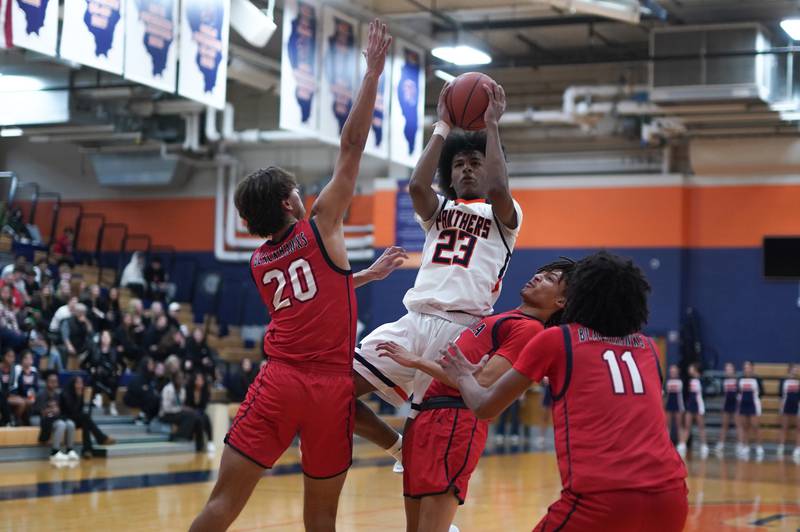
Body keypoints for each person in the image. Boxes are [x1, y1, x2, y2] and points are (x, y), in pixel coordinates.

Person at [190, 21, 395, 532]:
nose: (306, 194)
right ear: (289, 203)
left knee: (220, 506)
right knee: (321, 519)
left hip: (278, 380)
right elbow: (351, 146)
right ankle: (400, 443)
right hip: (328, 386)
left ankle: (398, 442)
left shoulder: (260, 263)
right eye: (298, 191)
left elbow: (315, 297)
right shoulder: (321, 224)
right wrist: (371, 74)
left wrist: (364, 276)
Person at [438, 251, 688, 532]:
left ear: (578, 296)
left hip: (601, 498)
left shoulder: (557, 339)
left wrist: (462, 375)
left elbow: (484, 407)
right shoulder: (648, 347)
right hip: (672, 496)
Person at [352, 78, 523, 469]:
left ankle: (440, 521)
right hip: (414, 321)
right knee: (337, 393)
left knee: (433, 448)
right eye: (459, 164)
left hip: (461, 331)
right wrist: (442, 127)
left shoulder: (505, 218)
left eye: (475, 163)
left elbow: (500, 189)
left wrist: (492, 126)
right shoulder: (440, 211)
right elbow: (415, 185)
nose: (466, 170)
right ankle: (397, 448)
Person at [376, 260, 571, 532]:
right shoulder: (508, 319)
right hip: (431, 416)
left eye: (549, 278)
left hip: (456, 421)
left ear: (561, 300)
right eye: (539, 272)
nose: (537, 277)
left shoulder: (529, 329)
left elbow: (480, 383)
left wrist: (416, 361)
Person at [59, 375, 115, 458]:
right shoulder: (65, 394)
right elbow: (71, 411)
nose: (80, 386)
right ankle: (101, 438)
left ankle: (87, 450)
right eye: (78, 383)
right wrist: (78, 397)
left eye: (81, 383)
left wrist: (83, 399)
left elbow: (84, 412)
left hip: (77, 419)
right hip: (66, 419)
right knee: (85, 418)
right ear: (72, 384)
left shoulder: (81, 394)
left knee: (86, 422)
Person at [33, 371, 78, 462]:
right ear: (47, 382)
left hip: (54, 417)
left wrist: (57, 410)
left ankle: (69, 450)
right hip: (40, 418)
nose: (54, 383)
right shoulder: (41, 395)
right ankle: (55, 451)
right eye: (51, 381)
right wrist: (50, 410)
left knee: (70, 424)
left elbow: (62, 410)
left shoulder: (58, 395)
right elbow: (38, 411)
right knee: (61, 424)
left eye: (55, 381)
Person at [160, 370, 205, 451]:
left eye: (182, 378)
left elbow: (181, 405)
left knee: (197, 417)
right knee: (190, 415)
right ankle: (178, 436)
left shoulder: (182, 390)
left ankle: (199, 446)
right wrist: (181, 409)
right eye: (178, 378)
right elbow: (166, 408)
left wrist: (183, 409)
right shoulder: (167, 389)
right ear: (174, 379)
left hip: (177, 413)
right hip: (166, 415)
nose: (180, 380)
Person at [82, 330, 123, 415]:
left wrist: (119, 371)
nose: (105, 339)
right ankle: (97, 397)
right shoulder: (94, 349)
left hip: (111, 375)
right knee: (98, 375)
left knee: (113, 381)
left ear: (110, 339)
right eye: (103, 336)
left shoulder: (114, 351)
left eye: (107, 337)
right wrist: (91, 369)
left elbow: (123, 365)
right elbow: (83, 364)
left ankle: (112, 404)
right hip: (97, 376)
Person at [736, 360, 764, 460]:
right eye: (745, 367)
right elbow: (738, 392)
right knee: (745, 426)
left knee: (755, 426)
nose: (746, 369)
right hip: (743, 405)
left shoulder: (757, 379)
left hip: (754, 404)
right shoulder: (740, 379)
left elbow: (762, 392)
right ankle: (746, 446)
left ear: (752, 368)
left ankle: (759, 446)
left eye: (748, 367)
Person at [680, 363, 708, 458]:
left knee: (701, 426)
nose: (689, 369)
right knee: (687, 425)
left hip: (699, 405)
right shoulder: (689, 380)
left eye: (691, 368)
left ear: (695, 369)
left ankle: (704, 445)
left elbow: (703, 392)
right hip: (690, 406)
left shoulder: (701, 379)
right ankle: (682, 445)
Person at [123, 356, 160, 422]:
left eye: (152, 364)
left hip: (144, 398)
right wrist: (146, 389)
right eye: (150, 364)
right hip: (133, 398)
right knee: (152, 397)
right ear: (145, 365)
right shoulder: (139, 375)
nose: (152, 366)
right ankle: (142, 416)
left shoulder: (152, 375)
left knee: (156, 398)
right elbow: (135, 389)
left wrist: (147, 389)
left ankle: (149, 417)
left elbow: (150, 388)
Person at [185, 372, 214, 453]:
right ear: (194, 380)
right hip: (190, 411)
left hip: (200, 411)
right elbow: (187, 404)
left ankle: (210, 441)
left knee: (206, 418)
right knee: (199, 418)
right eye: (198, 379)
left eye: (201, 380)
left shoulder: (205, 391)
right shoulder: (188, 389)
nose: (200, 381)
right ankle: (199, 445)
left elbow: (203, 406)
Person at [715, 362, 739, 456]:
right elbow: (724, 395)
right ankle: (721, 444)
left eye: (730, 369)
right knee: (724, 425)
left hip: (736, 405)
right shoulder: (724, 381)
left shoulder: (737, 380)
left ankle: (740, 445)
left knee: (738, 425)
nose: (728, 371)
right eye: (726, 369)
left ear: (733, 370)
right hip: (727, 405)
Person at [777, 363, 799, 458]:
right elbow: (780, 394)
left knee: (799, 428)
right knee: (784, 427)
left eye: (796, 369)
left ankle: (798, 448)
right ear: (789, 369)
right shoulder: (783, 380)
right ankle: (781, 447)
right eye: (794, 368)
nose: (795, 370)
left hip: (797, 406)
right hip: (786, 405)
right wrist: (781, 404)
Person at [11, 350, 37, 425]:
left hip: (27, 395)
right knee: (23, 402)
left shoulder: (33, 370)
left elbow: (35, 387)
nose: (29, 360)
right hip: (16, 394)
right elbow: (14, 385)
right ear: (22, 359)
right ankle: (15, 420)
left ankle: (25, 420)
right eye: (27, 358)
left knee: (31, 400)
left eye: (31, 358)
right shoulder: (17, 369)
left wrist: (31, 394)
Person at [664, 364, 685, 452]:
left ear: (677, 372)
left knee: (679, 425)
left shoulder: (681, 381)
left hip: (678, 405)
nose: (672, 372)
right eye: (671, 371)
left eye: (674, 370)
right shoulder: (667, 382)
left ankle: (681, 443)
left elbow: (681, 396)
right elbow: (666, 395)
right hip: (669, 404)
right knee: (668, 425)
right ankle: (666, 443)